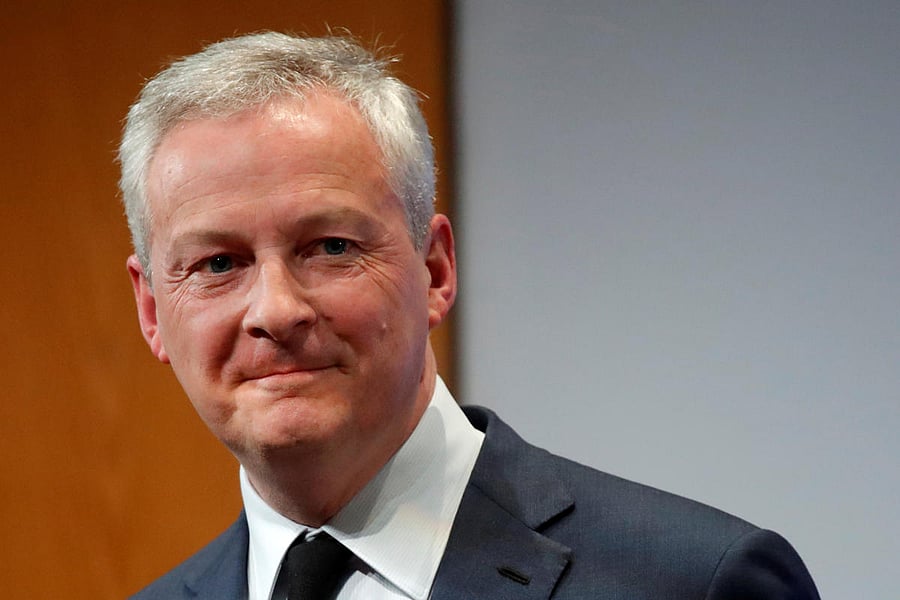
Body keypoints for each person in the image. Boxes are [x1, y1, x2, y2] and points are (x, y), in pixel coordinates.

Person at [120, 32, 820, 600]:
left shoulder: (694, 583)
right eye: (217, 264)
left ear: (435, 270)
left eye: (331, 247)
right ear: (152, 310)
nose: (276, 310)